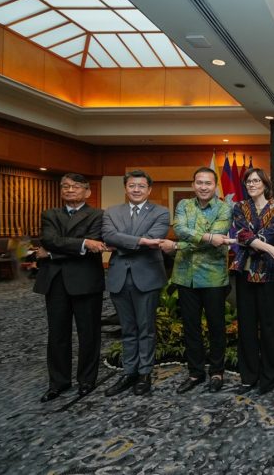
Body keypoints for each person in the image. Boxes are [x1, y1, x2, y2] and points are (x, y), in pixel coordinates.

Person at [34, 173, 107, 402]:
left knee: (89, 334)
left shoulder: (98, 215)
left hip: (86, 281)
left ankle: (87, 380)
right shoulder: (50, 214)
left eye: (76, 186)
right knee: (57, 334)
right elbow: (49, 240)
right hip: (55, 281)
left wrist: (52, 254)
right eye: (65, 186)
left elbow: (94, 244)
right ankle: (58, 382)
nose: (70, 189)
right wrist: (83, 243)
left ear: (88, 191)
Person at [159, 167, 232, 394]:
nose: (203, 187)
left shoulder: (224, 208)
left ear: (215, 186)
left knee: (216, 327)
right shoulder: (184, 205)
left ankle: (217, 372)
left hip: (213, 277)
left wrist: (178, 246)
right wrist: (208, 237)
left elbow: (216, 240)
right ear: (193, 185)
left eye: (208, 183)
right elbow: (180, 230)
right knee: (191, 327)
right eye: (199, 182)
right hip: (185, 276)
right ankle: (195, 373)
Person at [102, 170, 170, 397]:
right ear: (126, 188)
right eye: (132, 185)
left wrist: (122, 242)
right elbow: (108, 236)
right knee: (127, 329)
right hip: (119, 277)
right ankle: (129, 372)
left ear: (149, 190)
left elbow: (155, 238)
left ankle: (144, 373)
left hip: (147, 277)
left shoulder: (161, 212)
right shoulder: (111, 212)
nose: (136, 189)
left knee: (146, 328)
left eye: (141, 186)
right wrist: (141, 241)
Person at [231, 168, 274, 395]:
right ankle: (249, 377)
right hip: (244, 273)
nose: (252, 184)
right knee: (246, 327)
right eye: (249, 181)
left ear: (265, 184)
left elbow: (267, 235)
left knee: (270, 328)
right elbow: (241, 235)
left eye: (256, 181)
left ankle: (270, 378)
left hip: (269, 275)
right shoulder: (239, 207)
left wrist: (253, 240)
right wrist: (269, 248)